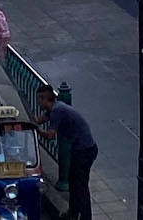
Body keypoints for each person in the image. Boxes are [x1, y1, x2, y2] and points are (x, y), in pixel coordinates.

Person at [38, 89, 98, 220]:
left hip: (84, 150)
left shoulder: (57, 111)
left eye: (39, 99)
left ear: (43, 99)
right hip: (82, 149)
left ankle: (86, 217)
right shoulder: (55, 107)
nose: (38, 103)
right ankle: (73, 213)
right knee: (73, 182)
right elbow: (42, 119)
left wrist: (37, 131)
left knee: (80, 186)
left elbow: (50, 135)